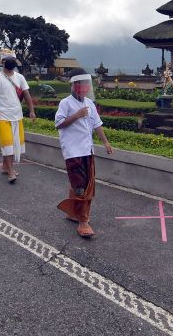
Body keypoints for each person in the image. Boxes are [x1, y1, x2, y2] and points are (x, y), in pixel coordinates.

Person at [54, 68, 113, 238]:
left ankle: (73, 213)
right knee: (81, 187)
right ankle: (83, 221)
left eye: (86, 84)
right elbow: (58, 124)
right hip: (73, 151)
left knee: (85, 184)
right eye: (80, 84)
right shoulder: (65, 103)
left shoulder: (89, 103)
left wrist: (106, 142)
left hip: (87, 150)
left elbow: (97, 124)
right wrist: (77, 115)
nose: (84, 87)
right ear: (73, 85)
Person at [0, 50, 35, 183]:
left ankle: (5, 166)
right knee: (8, 143)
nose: (11, 62)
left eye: (13, 59)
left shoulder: (20, 77)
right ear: (2, 62)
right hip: (2, 115)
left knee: (13, 144)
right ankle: (11, 171)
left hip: (17, 115)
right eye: (8, 60)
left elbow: (26, 94)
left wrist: (31, 110)